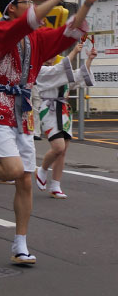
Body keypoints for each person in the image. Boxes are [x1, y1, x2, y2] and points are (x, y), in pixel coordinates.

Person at [0, 0, 98, 264]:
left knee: (25, 181)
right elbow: (27, 21)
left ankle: (20, 244)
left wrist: (86, 3)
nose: (33, 6)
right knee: (14, 170)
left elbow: (69, 33)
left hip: (23, 112)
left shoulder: (36, 38)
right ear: (11, 8)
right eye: (27, 1)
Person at [35, 43, 97, 198]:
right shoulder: (39, 70)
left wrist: (89, 59)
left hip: (63, 111)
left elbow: (78, 75)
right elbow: (58, 71)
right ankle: (42, 169)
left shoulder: (60, 71)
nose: (52, 57)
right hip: (48, 110)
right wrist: (74, 52)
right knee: (58, 147)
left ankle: (55, 185)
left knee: (63, 151)